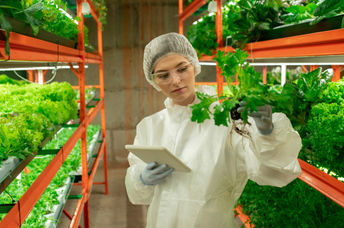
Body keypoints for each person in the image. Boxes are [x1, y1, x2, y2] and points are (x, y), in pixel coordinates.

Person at [125, 32, 302, 228]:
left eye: (182, 69)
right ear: (154, 81)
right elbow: (138, 194)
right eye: (163, 75)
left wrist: (268, 134)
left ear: (194, 66)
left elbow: (273, 172)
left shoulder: (227, 122)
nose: (175, 80)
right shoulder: (150, 127)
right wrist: (141, 178)